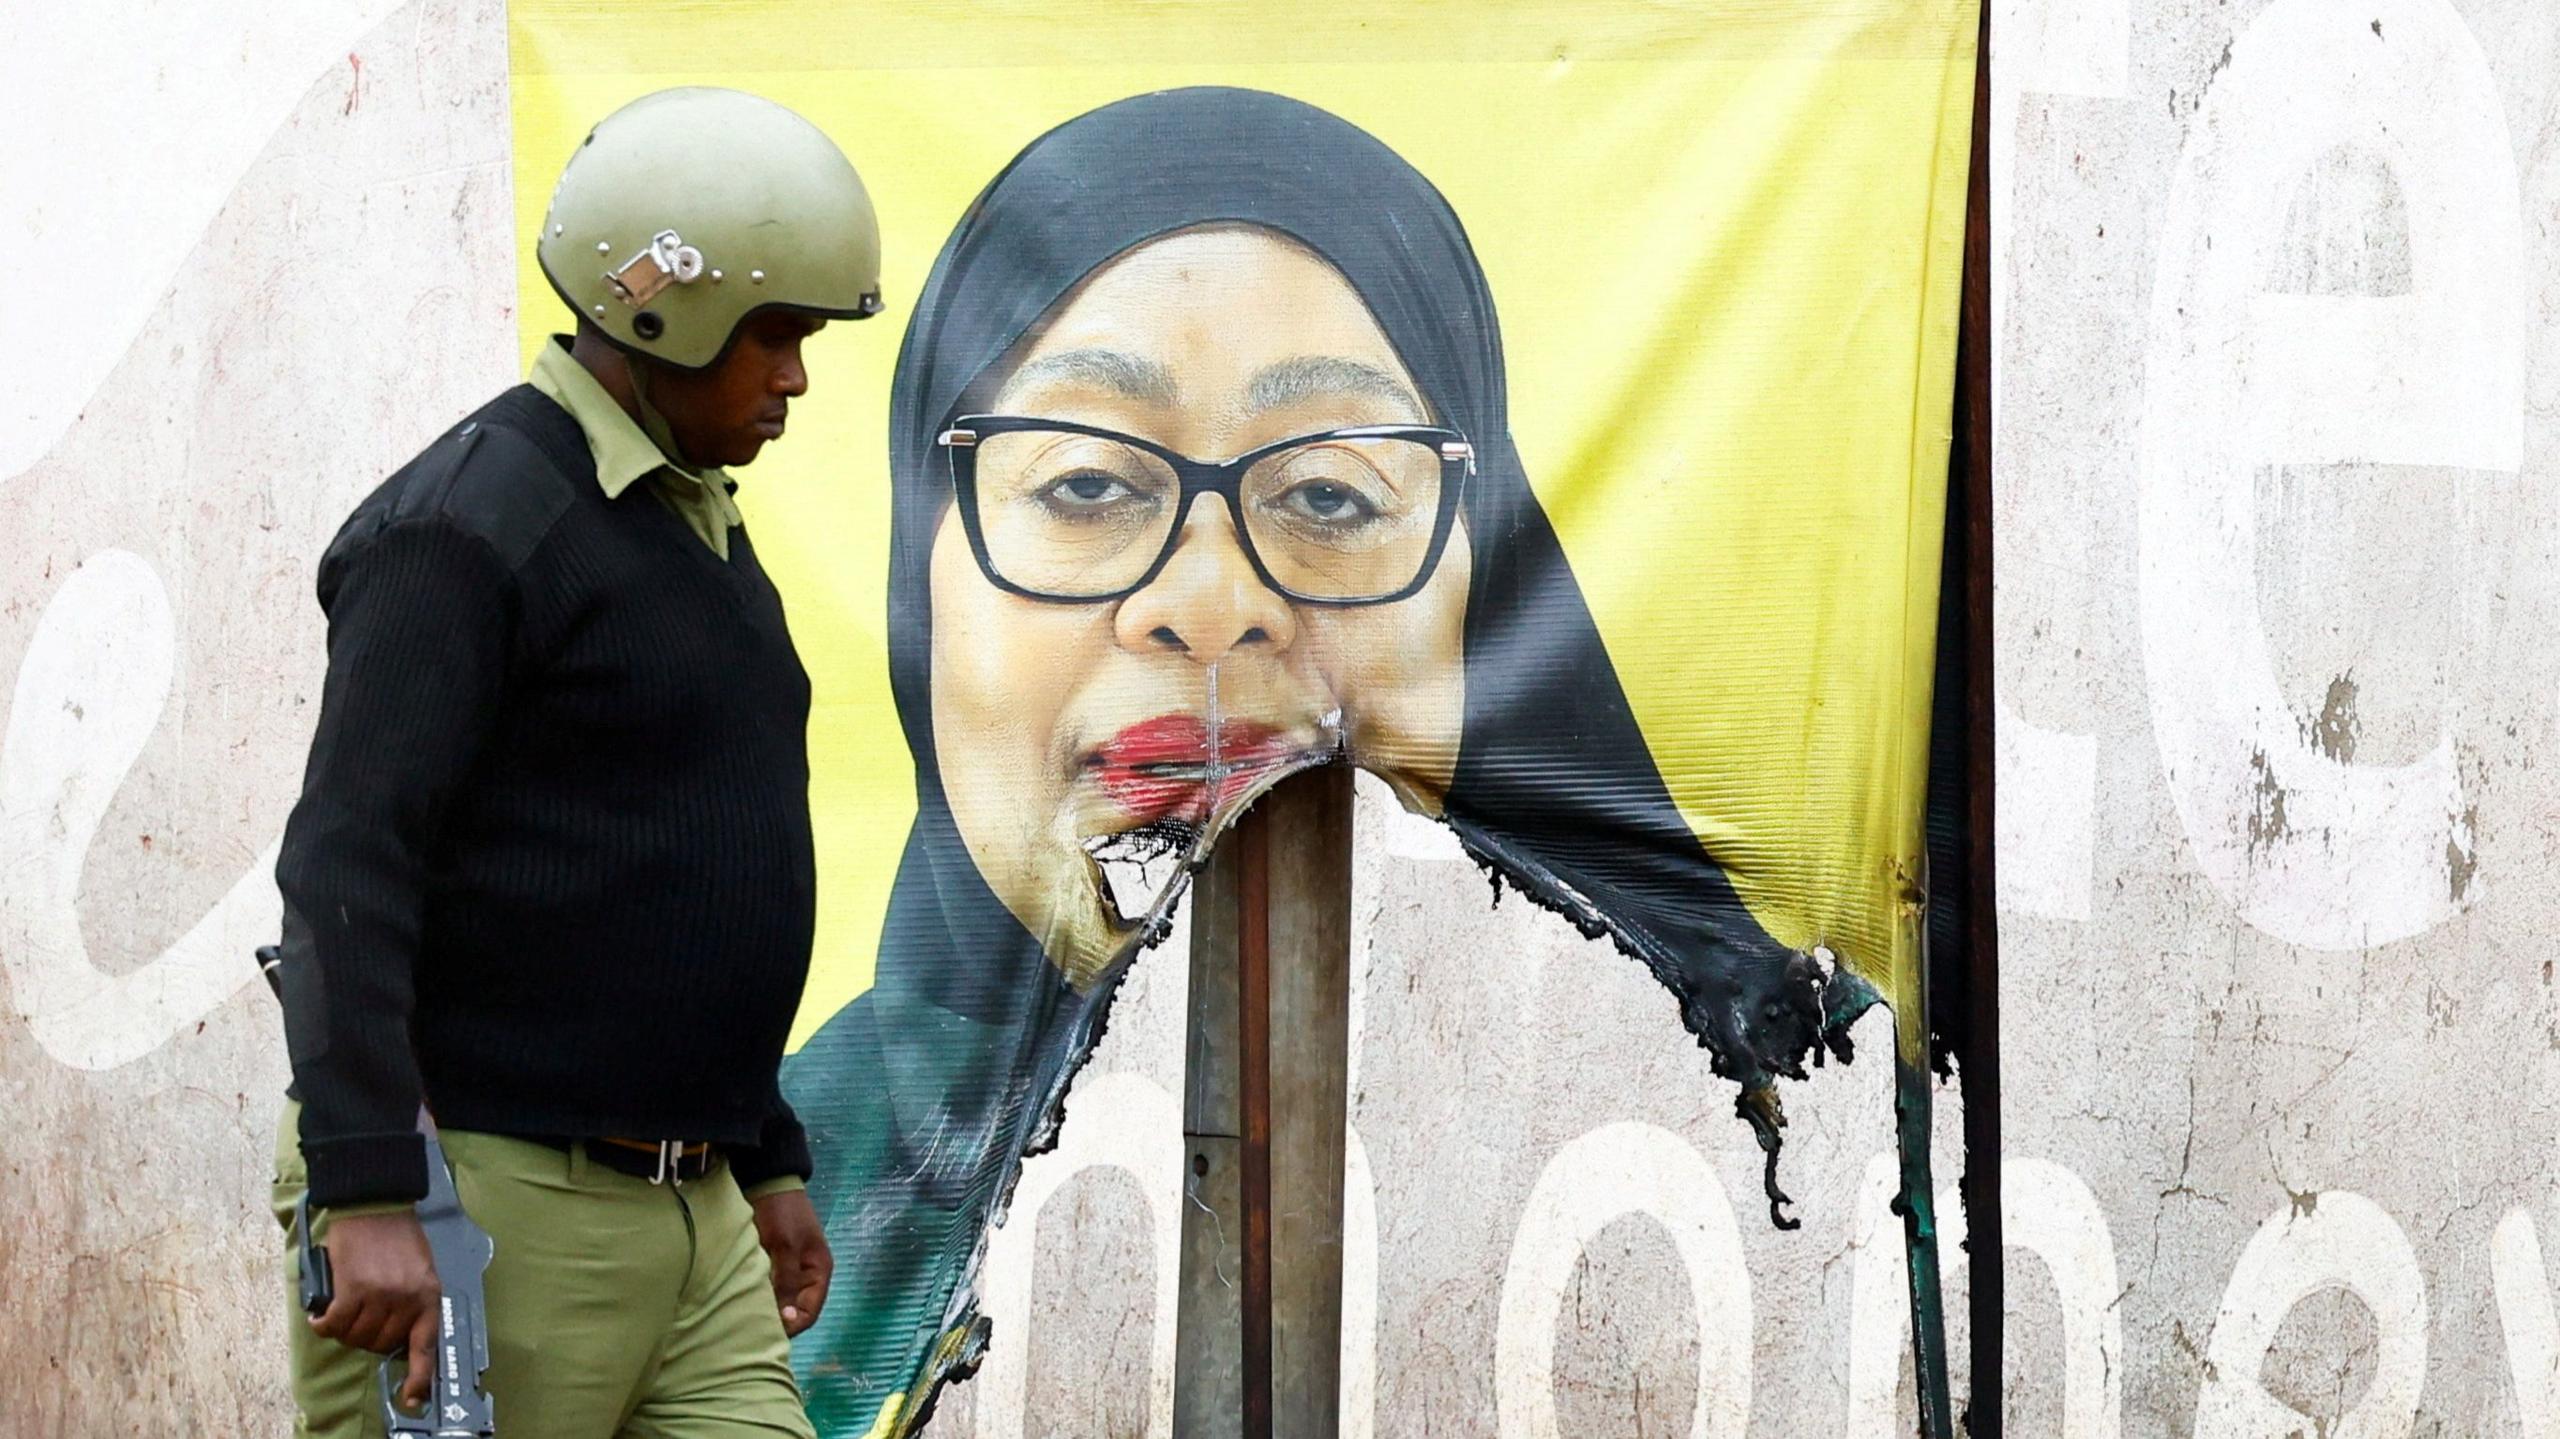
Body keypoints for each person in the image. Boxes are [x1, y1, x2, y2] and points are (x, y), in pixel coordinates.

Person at [781, 86, 1852, 1436]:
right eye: (1087, 485)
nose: (1211, 604)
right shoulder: (754, 1182)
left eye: (1333, 496)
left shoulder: (1792, 1114)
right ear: (919, 573)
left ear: (1487, 583)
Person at [268, 86, 884, 1436]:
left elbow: (675, 874)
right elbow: (346, 863)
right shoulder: (467, 526)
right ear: (667, 313)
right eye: (775, 334)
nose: (794, 377)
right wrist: (366, 1188)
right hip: (487, 1200)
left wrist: (765, 1157)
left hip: (696, 1217)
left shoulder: (686, 521)